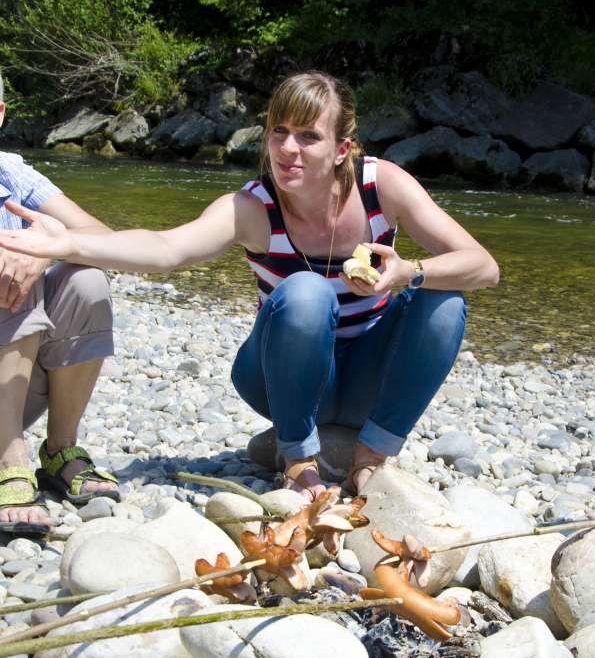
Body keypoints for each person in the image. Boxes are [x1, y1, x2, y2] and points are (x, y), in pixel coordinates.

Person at [0, 71, 499, 502]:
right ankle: (298, 460)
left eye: (308, 136)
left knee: (444, 301)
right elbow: (167, 248)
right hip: (282, 378)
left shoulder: (380, 185)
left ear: (341, 149)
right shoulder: (252, 207)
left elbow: (483, 265)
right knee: (307, 291)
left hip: (371, 379)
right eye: (279, 132)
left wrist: (407, 271)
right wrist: (65, 244)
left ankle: (370, 456)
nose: (288, 149)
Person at [0, 70, 120, 535]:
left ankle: (58, 451)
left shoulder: (10, 172)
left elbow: (103, 238)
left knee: (85, 278)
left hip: (12, 384)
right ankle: (9, 458)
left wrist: (47, 246)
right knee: (13, 263)